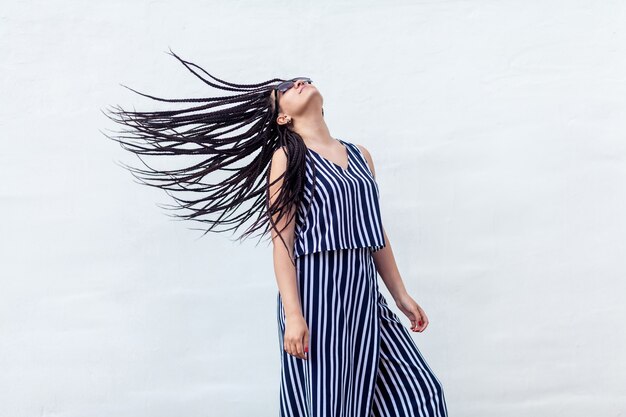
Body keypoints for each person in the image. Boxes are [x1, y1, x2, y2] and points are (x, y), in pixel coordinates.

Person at [102, 48, 449, 417]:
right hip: (318, 298)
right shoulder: (288, 157)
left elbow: (374, 232)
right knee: (328, 407)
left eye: (303, 79)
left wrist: (400, 295)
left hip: (365, 297)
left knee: (421, 395)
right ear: (282, 116)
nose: (298, 82)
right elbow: (282, 244)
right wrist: (294, 315)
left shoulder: (361, 155)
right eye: (285, 87)